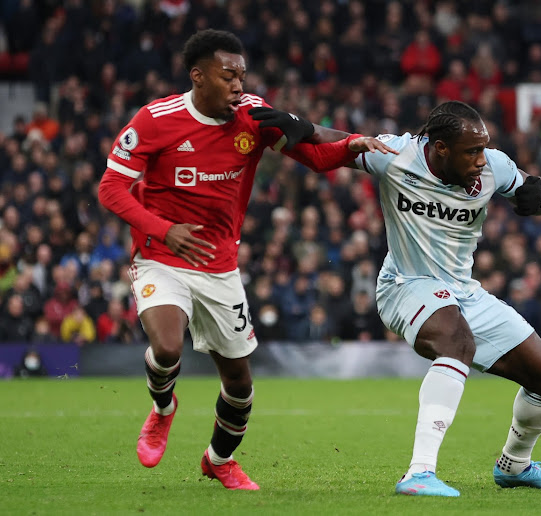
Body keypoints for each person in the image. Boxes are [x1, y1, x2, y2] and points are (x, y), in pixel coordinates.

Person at [98, 29, 394, 491]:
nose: (238, 84)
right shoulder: (155, 119)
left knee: (239, 385)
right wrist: (164, 230)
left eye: (242, 74)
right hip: (162, 255)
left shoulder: (252, 117)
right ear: (198, 77)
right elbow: (110, 189)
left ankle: (218, 460)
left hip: (219, 266)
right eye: (227, 75)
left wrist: (354, 144)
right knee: (168, 347)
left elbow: (313, 154)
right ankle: (162, 409)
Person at [253, 100, 541, 497]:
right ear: (440, 148)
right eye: (471, 151)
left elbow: (529, 186)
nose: (480, 159)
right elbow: (341, 143)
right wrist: (301, 126)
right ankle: (419, 473)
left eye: (483, 148)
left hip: (463, 290)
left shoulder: (493, 166)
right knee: (457, 343)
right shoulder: (397, 155)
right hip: (405, 283)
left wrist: (539, 195)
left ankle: (514, 464)